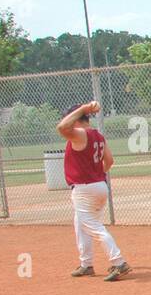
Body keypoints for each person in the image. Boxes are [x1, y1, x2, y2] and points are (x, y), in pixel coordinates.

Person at [55, 100, 130, 282]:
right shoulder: (98, 136)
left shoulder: (80, 134)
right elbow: (109, 161)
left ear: (77, 119)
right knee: (81, 225)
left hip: (85, 188)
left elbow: (62, 127)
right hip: (98, 185)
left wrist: (82, 108)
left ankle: (118, 262)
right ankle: (86, 264)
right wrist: (96, 174)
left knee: (93, 227)